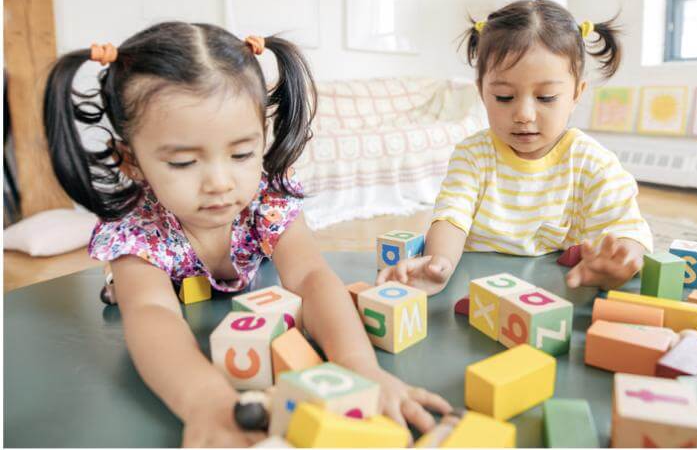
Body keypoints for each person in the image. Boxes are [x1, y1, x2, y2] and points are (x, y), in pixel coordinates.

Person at [44, 22, 450, 446]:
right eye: (184, 162)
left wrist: (360, 367)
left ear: (262, 138)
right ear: (130, 161)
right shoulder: (138, 229)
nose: (220, 182)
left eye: (241, 153)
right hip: (164, 288)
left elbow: (311, 277)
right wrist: (205, 402)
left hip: (257, 297)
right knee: (133, 293)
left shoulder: (266, 199)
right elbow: (152, 314)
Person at [377, 0, 653, 295]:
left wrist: (620, 260)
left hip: (555, 292)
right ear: (482, 91)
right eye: (504, 97)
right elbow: (451, 217)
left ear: (576, 93)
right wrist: (439, 264)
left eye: (546, 97)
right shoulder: (473, 155)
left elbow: (627, 228)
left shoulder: (592, 162)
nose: (523, 114)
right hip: (476, 289)